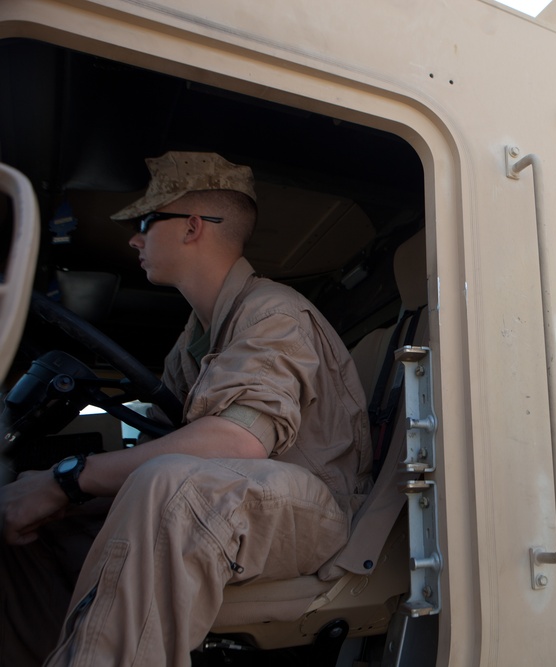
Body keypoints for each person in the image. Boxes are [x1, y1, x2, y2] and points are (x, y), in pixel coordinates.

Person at [0, 151, 372, 665]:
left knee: (172, 487)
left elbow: (238, 443)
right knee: (42, 534)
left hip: (313, 511)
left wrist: (66, 478)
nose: (135, 238)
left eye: (148, 222)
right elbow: (163, 445)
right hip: (242, 499)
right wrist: (62, 496)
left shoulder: (274, 311)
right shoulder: (192, 341)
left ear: (193, 227)